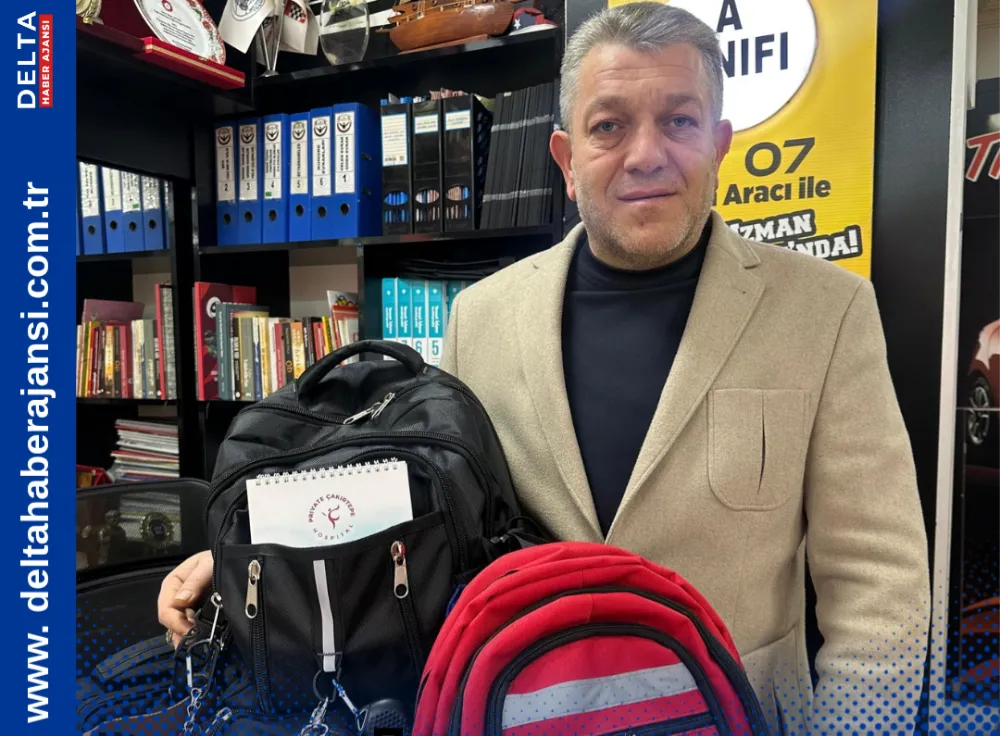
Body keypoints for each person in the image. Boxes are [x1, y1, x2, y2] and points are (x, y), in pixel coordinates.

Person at [160, 4, 930, 734]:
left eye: (679, 120)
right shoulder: (482, 317)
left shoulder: (826, 311)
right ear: (566, 158)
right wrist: (247, 564)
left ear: (719, 143)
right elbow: (431, 523)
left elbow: (882, 593)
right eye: (609, 126)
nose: (646, 153)